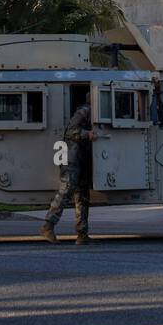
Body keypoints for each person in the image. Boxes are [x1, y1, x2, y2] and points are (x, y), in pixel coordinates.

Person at [40, 99, 96, 245]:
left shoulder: (94, 112)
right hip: (70, 157)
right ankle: (48, 226)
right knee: (67, 190)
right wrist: (87, 134)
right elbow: (70, 131)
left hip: (81, 159)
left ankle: (82, 233)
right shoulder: (85, 110)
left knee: (83, 195)